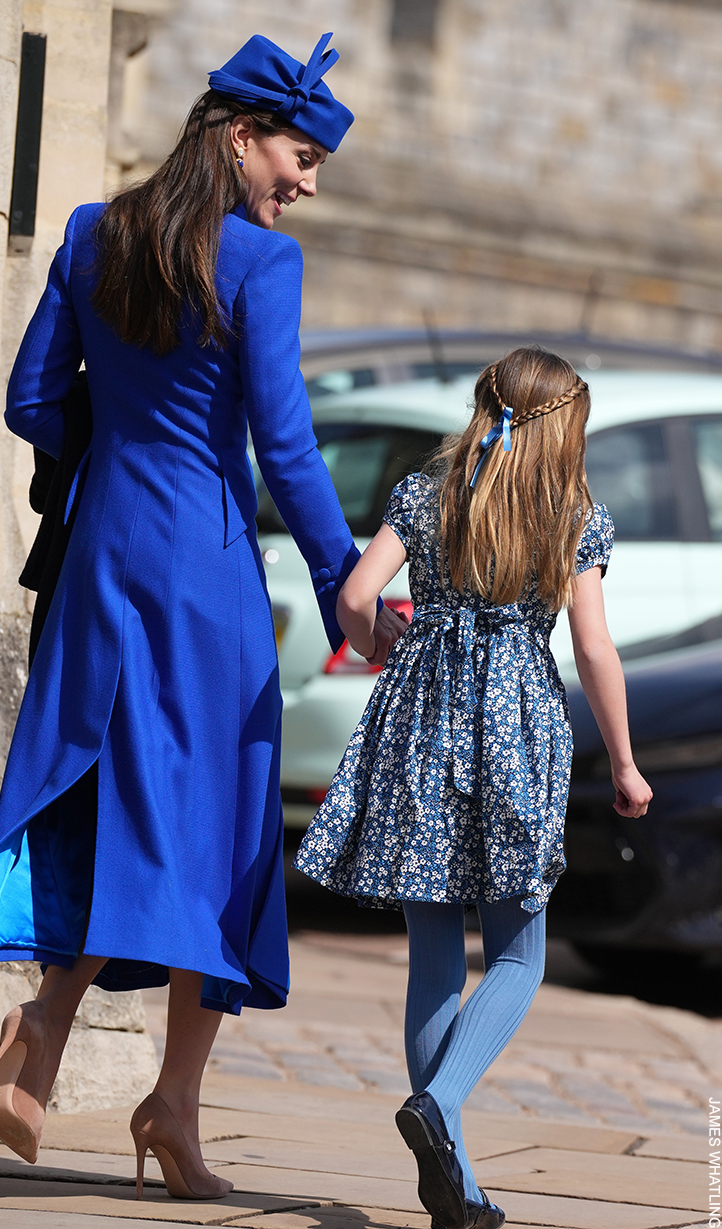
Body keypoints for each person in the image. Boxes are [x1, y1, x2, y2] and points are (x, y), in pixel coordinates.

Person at [0, 31, 404, 1199]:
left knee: (113, 796)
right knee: (223, 834)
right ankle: (166, 1097)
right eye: (299, 154)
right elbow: (288, 447)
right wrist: (343, 585)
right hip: (205, 578)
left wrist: (110, 469)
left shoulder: (90, 233)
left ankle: (64, 1044)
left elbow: (30, 401)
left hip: (103, 562)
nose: (304, 182)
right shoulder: (262, 265)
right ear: (237, 136)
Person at [294, 347, 652, 1229]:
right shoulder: (574, 516)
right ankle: (442, 1106)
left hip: (420, 719)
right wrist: (627, 760)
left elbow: (355, 593)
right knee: (521, 952)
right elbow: (597, 649)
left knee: (433, 956)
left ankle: (451, 1168)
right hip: (516, 727)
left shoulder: (428, 494)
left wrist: (383, 642)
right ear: (563, 427)